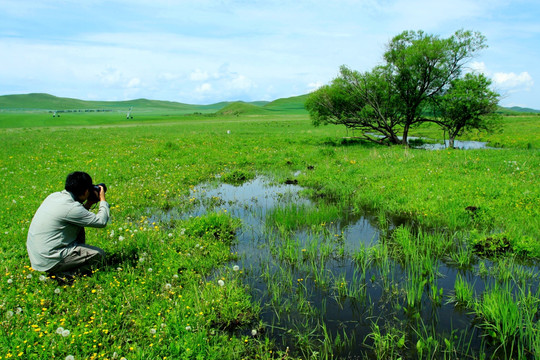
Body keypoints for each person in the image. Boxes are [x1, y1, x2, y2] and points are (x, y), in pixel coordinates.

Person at [27, 171, 110, 277]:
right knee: (99, 255)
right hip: (50, 260)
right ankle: (64, 275)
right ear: (85, 191)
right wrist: (102, 199)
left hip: (38, 258)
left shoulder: (54, 196)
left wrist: (89, 203)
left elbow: (74, 214)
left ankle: (63, 267)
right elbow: (101, 222)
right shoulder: (71, 207)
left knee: (78, 226)